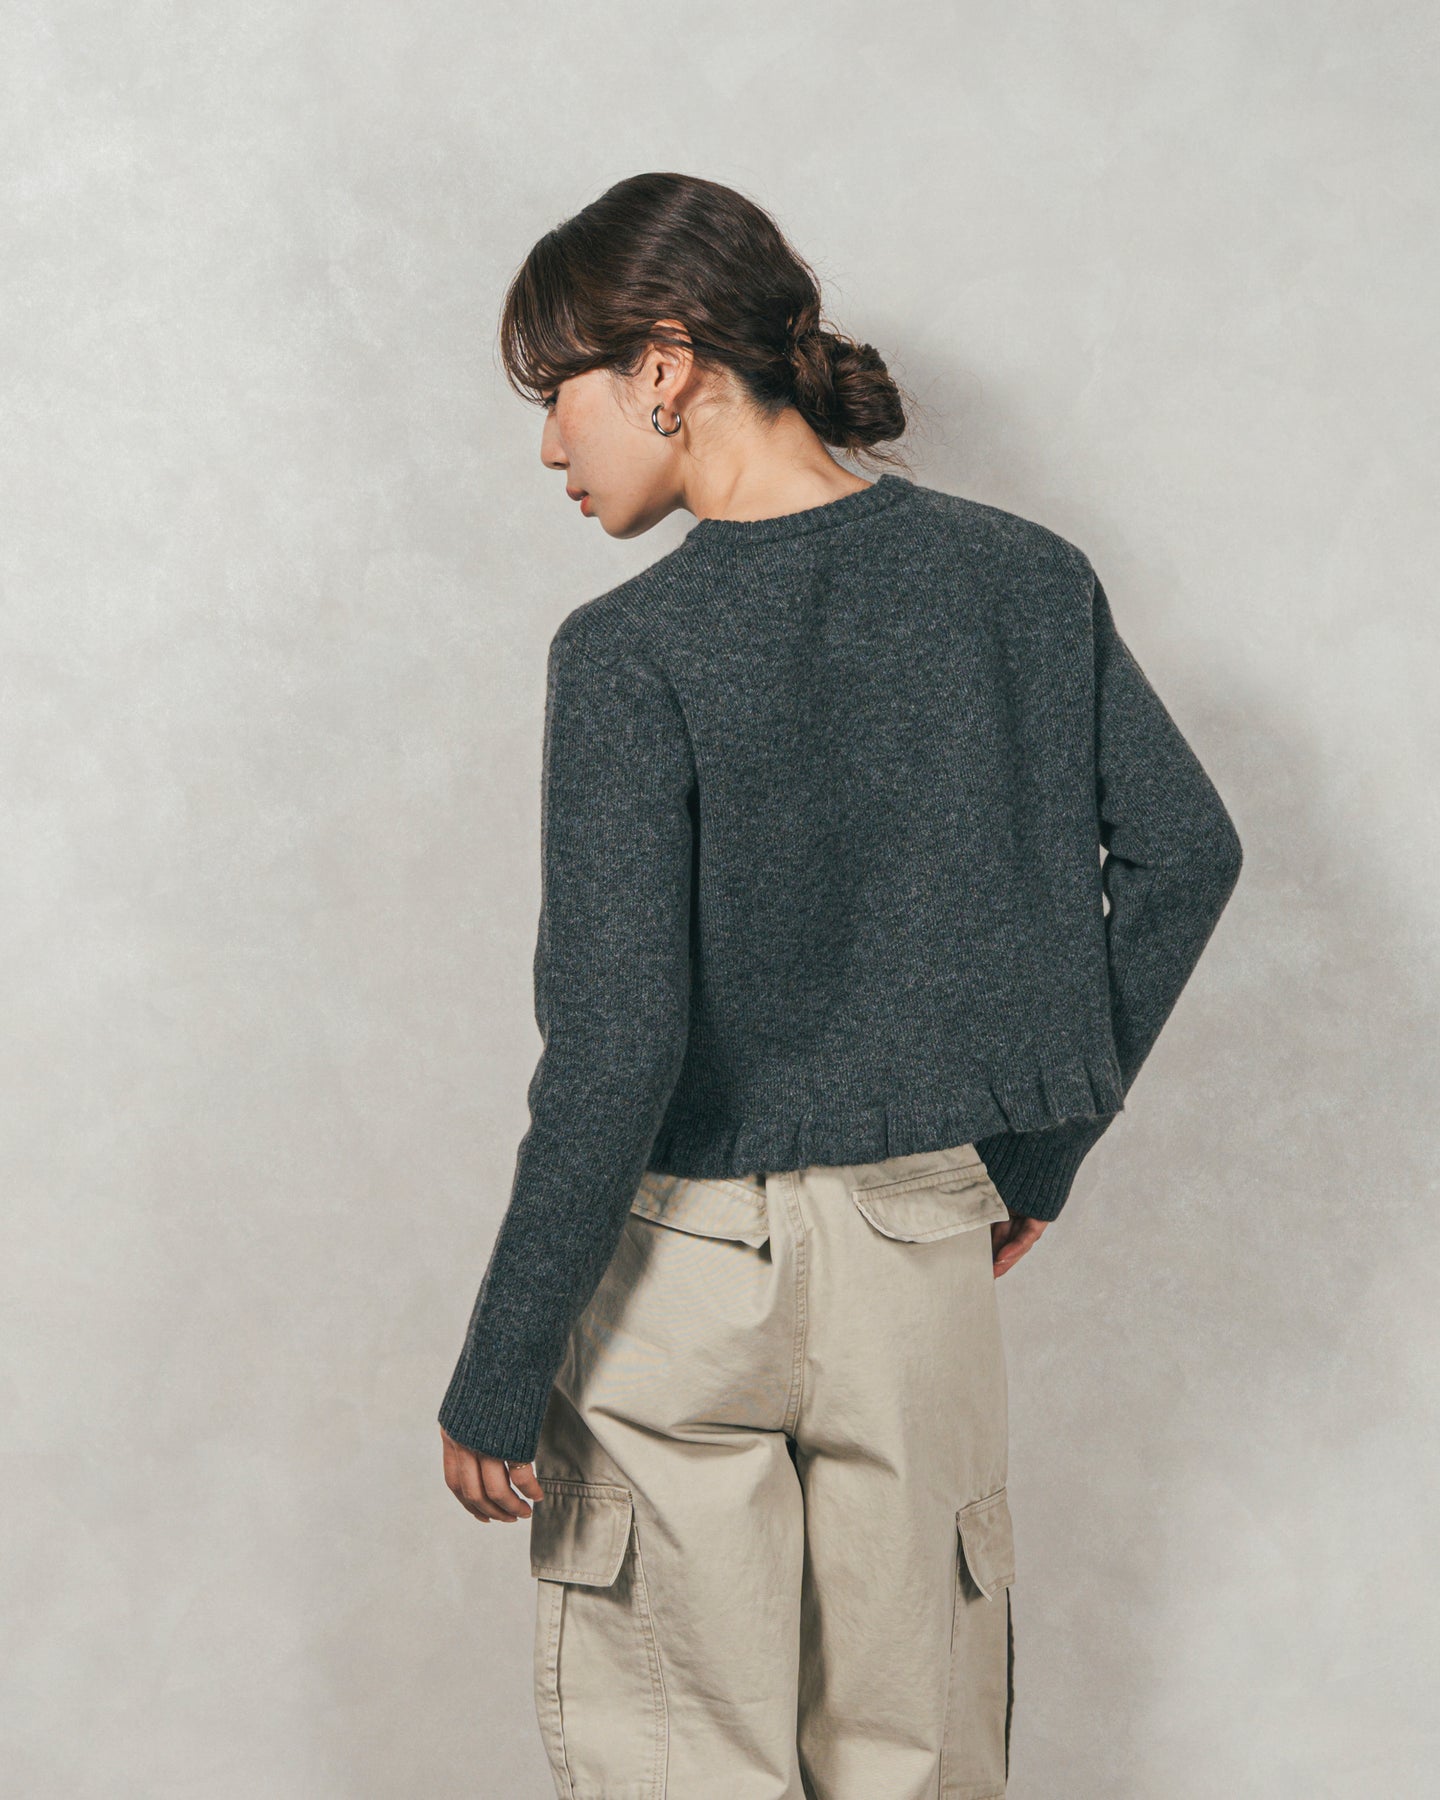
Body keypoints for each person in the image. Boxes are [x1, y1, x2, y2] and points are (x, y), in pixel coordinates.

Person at [437, 171, 1243, 1800]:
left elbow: (616, 1044)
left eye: (558, 393)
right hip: (913, 1256)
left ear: (664, 366)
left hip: (679, 1283)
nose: (549, 447)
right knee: (912, 1759)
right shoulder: (1023, 581)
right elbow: (1185, 855)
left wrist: (503, 1360)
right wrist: (1031, 1158)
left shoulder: (629, 652)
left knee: (685, 1764)